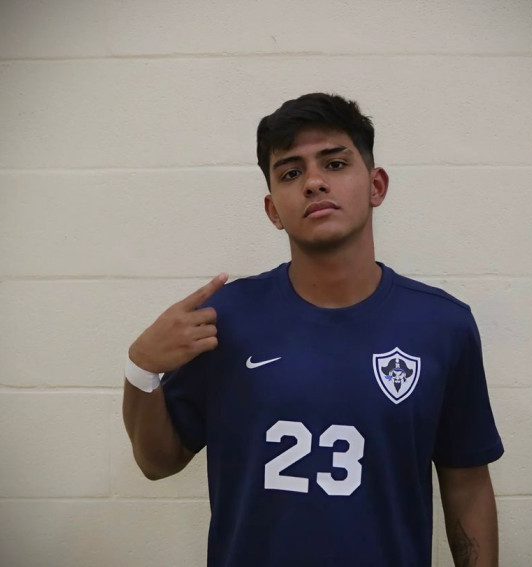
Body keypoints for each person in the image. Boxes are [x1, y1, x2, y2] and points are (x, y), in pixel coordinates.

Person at [123, 93, 504, 566]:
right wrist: (141, 368)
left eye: (335, 164)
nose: (314, 182)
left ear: (376, 186)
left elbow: (467, 485)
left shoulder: (442, 326)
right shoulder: (226, 318)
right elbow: (157, 463)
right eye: (290, 173)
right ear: (273, 210)